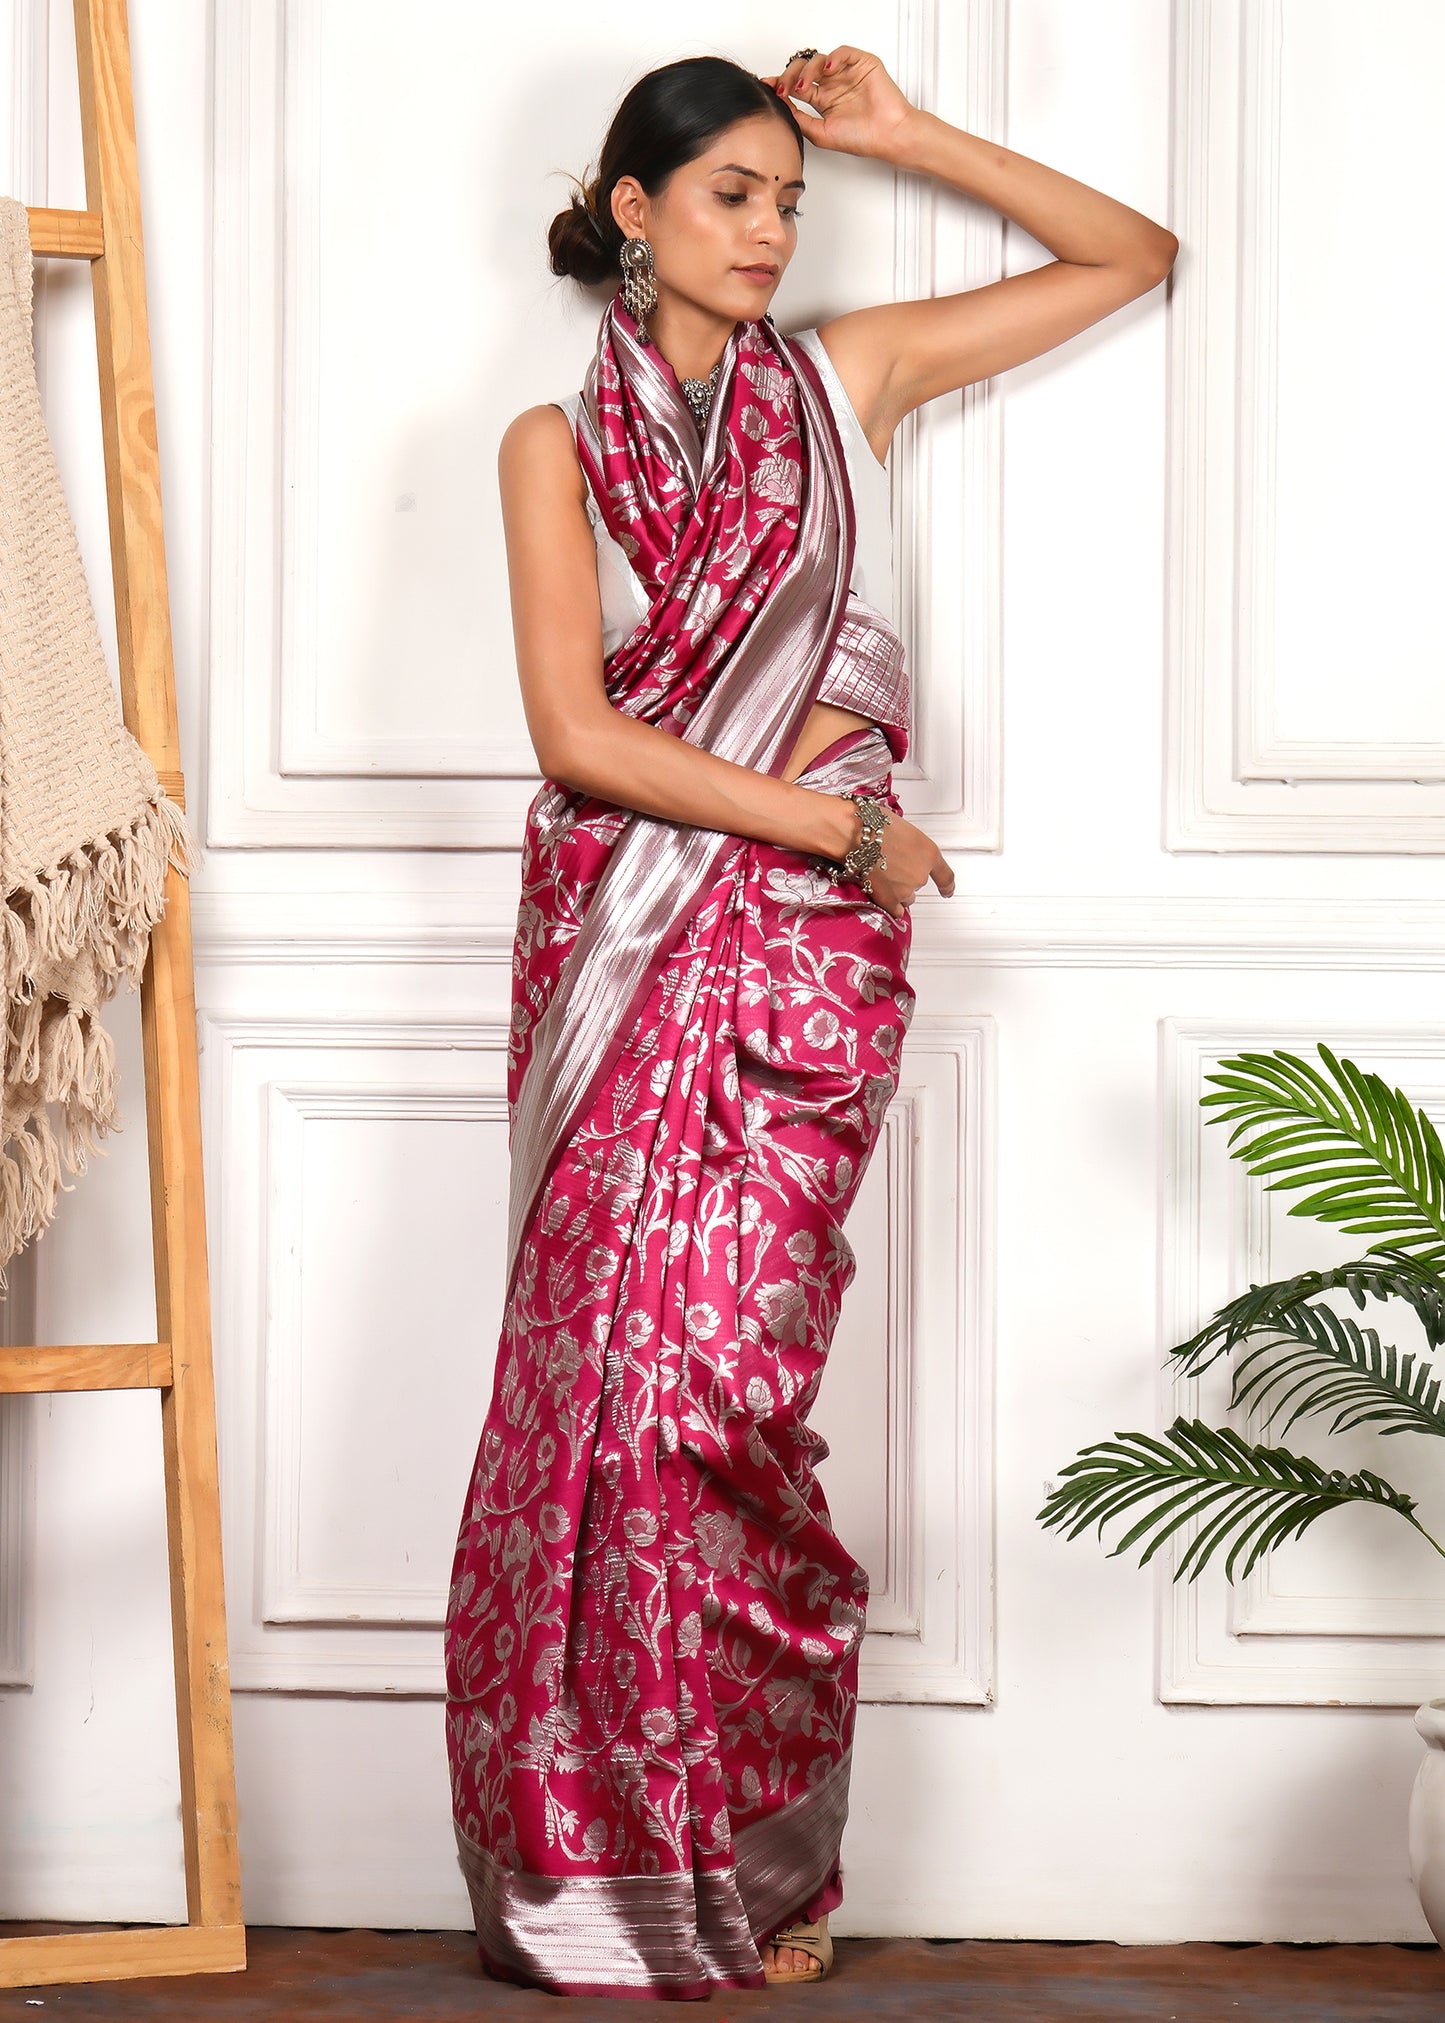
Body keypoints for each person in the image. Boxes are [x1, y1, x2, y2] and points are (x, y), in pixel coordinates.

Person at [444, 43, 1176, 2000]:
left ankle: (759, 1862)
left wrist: (914, 137)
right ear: (633, 213)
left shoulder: (847, 384)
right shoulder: (545, 444)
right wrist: (853, 822)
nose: (773, 229)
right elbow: (579, 737)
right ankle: (591, 1869)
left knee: (732, 1409)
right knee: (606, 1414)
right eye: (732, 195)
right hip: (628, 945)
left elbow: (1134, 253)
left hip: (802, 965)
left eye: (790, 196)